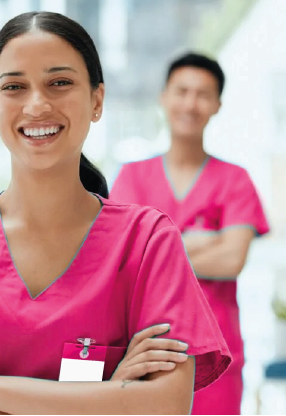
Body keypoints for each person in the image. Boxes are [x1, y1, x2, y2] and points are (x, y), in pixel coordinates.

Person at [0, 11, 233, 415]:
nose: (37, 104)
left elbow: (165, 406)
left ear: (96, 100)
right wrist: (113, 394)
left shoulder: (148, 241)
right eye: (14, 86)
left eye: (59, 83)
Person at [110, 52, 270, 414]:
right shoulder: (132, 177)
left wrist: (160, 250)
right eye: (181, 91)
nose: (190, 103)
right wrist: (203, 244)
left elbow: (231, 260)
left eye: (202, 94)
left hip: (217, 352)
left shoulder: (235, 180)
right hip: (143, 349)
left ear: (217, 104)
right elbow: (124, 262)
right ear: (163, 97)